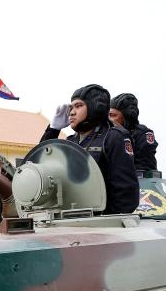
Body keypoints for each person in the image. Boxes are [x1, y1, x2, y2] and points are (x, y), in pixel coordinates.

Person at [41, 84, 139, 214]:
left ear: (95, 108)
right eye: (71, 107)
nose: (71, 112)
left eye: (79, 106)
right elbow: (42, 164)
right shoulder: (70, 142)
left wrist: (107, 221)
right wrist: (53, 129)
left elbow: (126, 191)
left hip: (101, 222)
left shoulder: (113, 137)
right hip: (70, 216)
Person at [108, 93, 158, 173]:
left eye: (112, 115)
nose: (109, 119)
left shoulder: (143, 134)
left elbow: (144, 166)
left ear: (127, 116)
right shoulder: (108, 135)